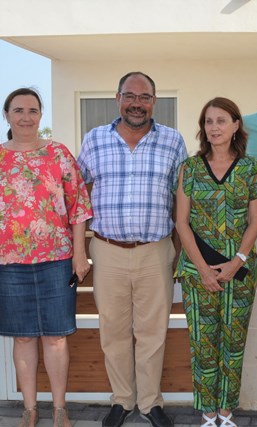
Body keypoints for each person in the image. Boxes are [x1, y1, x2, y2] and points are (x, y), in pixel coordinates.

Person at [77, 72, 187, 427]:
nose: (137, 103)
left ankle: (151, 403)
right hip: (107, 250)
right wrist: (81, 250)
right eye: (130, 96)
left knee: (153, 331)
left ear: (154, 101)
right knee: (114, 331)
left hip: (155, 250)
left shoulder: (172, 141)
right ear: (118, 98)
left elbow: (180, 201)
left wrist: (179, 249)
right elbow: (80, 197)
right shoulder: (94, 140)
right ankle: (122, 400)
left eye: (145, 97)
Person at [0, 88, 93, 427]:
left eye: (33, 110)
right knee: (23, 336)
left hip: (56, 260)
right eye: (18, 110)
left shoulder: (58, 154)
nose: (26, 116)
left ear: (41, 115)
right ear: (7, 115)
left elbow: (79, 206)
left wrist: (79, 254)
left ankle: (59, 409)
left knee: (55, 336)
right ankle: (29, 410)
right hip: (8, 263)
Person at [175, 97, 257, 427]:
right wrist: (202, 268)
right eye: (208, 121)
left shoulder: (250, 169)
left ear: (236, 125)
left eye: (221, 120)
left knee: (234, 343)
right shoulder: (190, 168)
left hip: (239, 272)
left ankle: (226, 412)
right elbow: (181, 222)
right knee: (203, 343)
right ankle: (208, 413)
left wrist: (236, 262)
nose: (214, 127)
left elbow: (255, 222)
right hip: (198, 270)